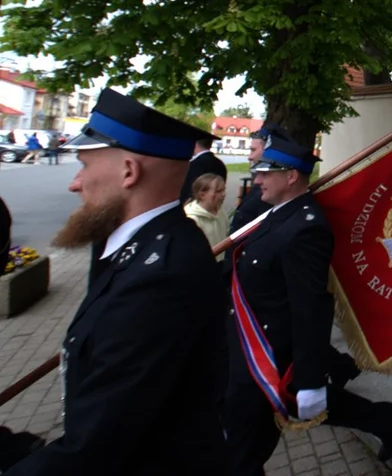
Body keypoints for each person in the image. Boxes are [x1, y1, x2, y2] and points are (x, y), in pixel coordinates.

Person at [6, 88, 227, 475]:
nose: (75, 183)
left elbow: (97, 447)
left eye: (84, 166)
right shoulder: (147, 247)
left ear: (129, 171)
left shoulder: (162, 274)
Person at [222, 133, 392, 475]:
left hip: (267, 357)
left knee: (240, 457)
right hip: (250, 348)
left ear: (291, 175)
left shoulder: (305, 229)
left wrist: (308, 379)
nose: (257, 177)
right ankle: (386, 418)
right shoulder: (276, 214)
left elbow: (310, 309)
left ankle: (384, 417)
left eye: (266, 172)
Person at [184, 172, 228, 250]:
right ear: (202, 195)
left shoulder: (221, 212)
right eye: (218, 191)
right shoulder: (191, 219)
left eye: (224, 190)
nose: (224, 194)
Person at [181, 136, 228, 203]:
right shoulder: (220, 164)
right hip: (214, 205)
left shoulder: (195, 164)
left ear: (195, 144)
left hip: (195, 205)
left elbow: (189, 189)